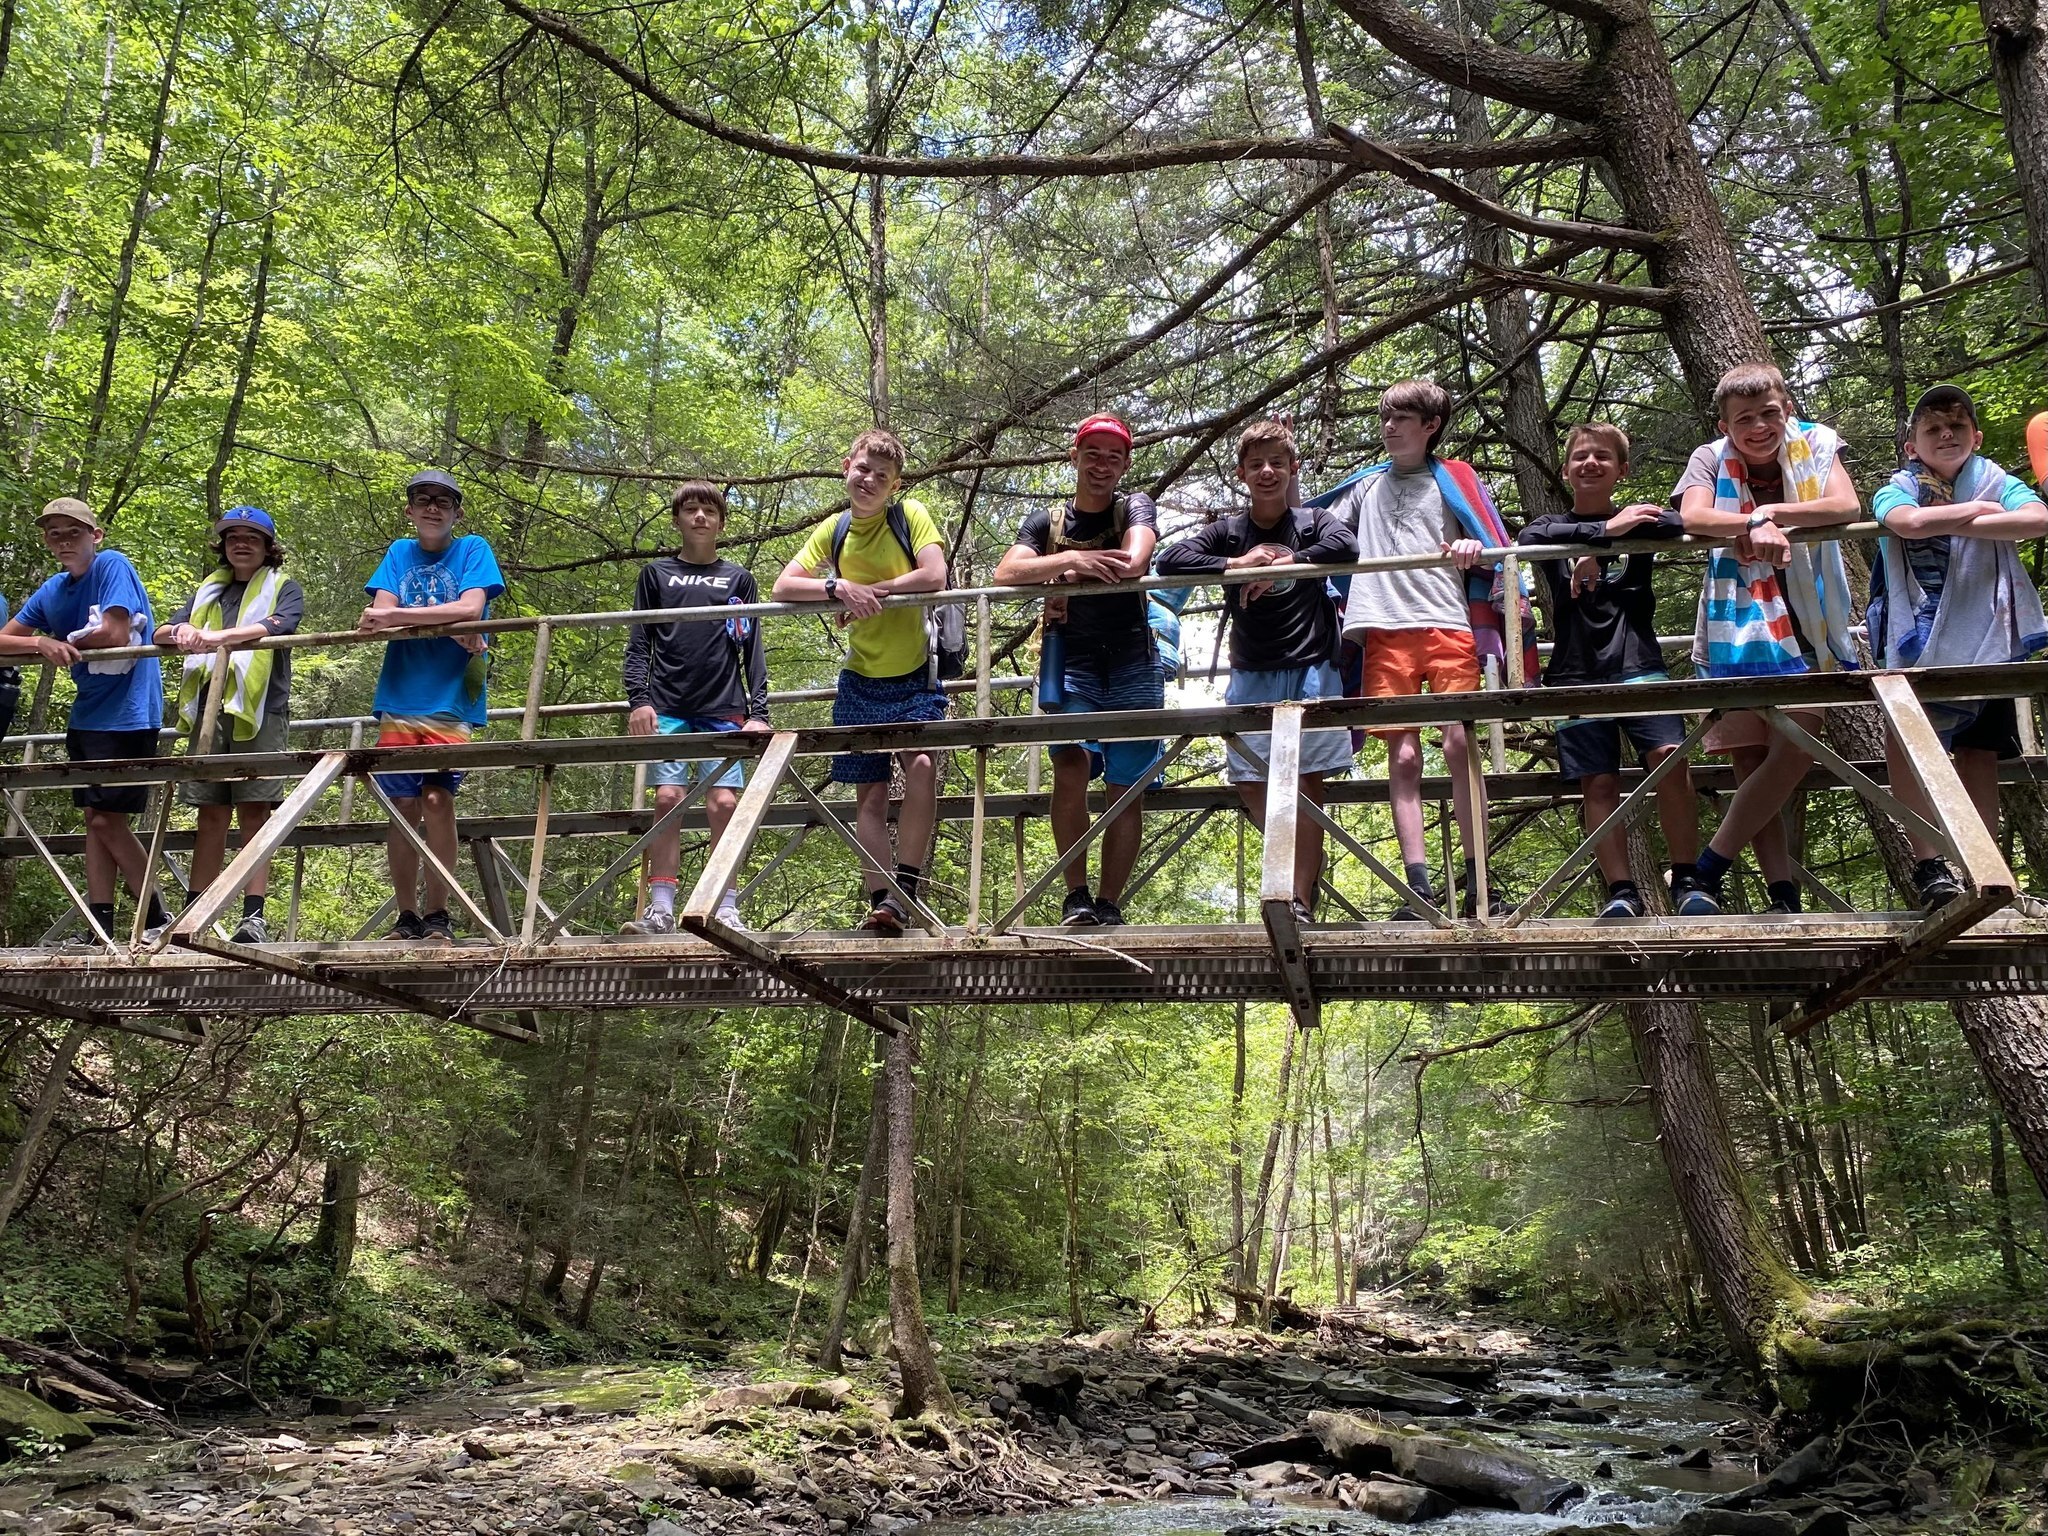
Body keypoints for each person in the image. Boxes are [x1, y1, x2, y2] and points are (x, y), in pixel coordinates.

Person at [1318, 379, 1528, 919]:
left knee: (1459, 745)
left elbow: (1492, 550)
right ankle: (1418, 888)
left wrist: (1472, 548)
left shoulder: (1455, 479)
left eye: (1402, 419)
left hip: (1446, 623)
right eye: (1385, 417)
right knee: (1403, 756)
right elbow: (1314, 527)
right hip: (1382, 629)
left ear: (1430, 427)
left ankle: (1481, 878)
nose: (1389, 427)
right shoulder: (1363, 487)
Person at [1672, 362, 1860, 915]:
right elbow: (1696, 516)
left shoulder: (1818, 445)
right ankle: (1782, 895)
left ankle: (1708, 868)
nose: (1759, 427)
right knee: (1750, 761)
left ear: (1788, 410)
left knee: (1798, 742)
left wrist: (1767, 513)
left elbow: (1845, 506)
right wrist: (1751, 526)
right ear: (1726, 425)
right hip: (1735, 626)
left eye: (1769, 414)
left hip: (1809, 621)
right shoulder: (1708, 458)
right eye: (1745, 419)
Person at [1157, 418, 1357, 919]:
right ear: (1242, 474)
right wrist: (1239, 564)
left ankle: (1299, 898)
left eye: (1276, 463)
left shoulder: (1311, 522)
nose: (1267, 472)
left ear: (1292, 469)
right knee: (1250, 780)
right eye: (1255, 465)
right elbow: (1171, 559)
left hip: (1311, 666)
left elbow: (1347, 548)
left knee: (1308, 783)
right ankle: (1295, 861)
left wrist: (1285, 563)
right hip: (1251, 671)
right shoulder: (1230, 532)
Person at [1517, 425, 1715, 918]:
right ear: (1565, 470)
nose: (1590, 464)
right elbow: (1527, 538)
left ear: (1620, 469)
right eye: (1580, 457)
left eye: (1602, 457)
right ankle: (1621, 892)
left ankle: (1688, 879)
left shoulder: (1643, 521)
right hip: (1574, 673)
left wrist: (1627, 526)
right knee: (1598, 783)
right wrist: (1603, 534)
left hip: (1639, 664)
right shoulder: (1550, 527)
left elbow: (1682, 521)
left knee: (1671, 759)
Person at [1867, 384, 2048, 909]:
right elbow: (1907, 521)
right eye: (1933, 429)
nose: (1947, 435)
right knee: (1909, 746)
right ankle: (1930, 866)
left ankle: (1987, 872)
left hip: (1987, 635)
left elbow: (2037, 519)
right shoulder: (1897, 486)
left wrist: (1965, 510)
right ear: (1912, 445)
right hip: (1917, 643)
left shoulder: (1994, 478)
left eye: (1958, 427)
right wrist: (1981, 514)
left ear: (1976, 435)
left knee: (1980, 752)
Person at [772, 430, 949, 936]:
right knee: (868, 797)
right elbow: (785, 584)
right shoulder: (835, 529)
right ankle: (882, 900)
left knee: (920, 767)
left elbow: (933, 575)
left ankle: (908, 883)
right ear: (846, 467)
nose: (869, 480)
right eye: (863, 469)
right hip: (861, 679)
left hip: (916, 674)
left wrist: (872, 590)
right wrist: (836, 585)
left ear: (895, 485)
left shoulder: (909, 515)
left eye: (882, 475)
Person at [992, 414, 1160, 926]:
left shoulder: (1136, 505)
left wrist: (1066, 568)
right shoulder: (1046, 522)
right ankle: (1077, 896)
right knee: (1070, 766)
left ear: (1125, 463)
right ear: (1075, 457)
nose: (1103, 465)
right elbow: (1006, 572)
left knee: (1125, 785)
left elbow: (1134, 562)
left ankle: (1109, 903)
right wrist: (1068, 566)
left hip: (1133, 657)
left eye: (1114, 456)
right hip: (1071, 661)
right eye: (1093, 454)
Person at [0, 498, 168, 946]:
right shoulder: (53, 589)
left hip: (130, 714)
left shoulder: (112, 565)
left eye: (73, 532)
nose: (63, 541)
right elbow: (3, 643)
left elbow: (114, 632)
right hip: (88, 715)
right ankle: (101, 928)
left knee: (106, 823)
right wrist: (39, 642)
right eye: (54, 533)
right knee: (95, 818)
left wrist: (57, 641)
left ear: (94, 536)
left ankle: (156, 917)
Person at [359, 468, 505, 944]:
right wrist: (444, 617)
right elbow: (377, 617)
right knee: (401, 806)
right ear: (409, 510)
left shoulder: (473, 549)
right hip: (401, 693)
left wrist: (400, 615)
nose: (433, 507)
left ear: (457, 512)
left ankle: (437, 915)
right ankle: (406, 917)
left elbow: (468, 608)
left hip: (450, 696)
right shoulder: (399, 553)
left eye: (444, 501)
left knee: (438, 800)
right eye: (423, 499)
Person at [620, 481, 772, 934]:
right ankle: (661, 905)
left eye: (709, 510)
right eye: (691, 510)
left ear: (722, 522)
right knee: (668, 798)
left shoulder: (739, 579)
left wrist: (758, 712)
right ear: (678, 518)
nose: (700, 517)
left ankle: (725, 903)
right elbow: (638, 642)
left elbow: (752, 648)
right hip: (667, 705)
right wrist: (639, 700)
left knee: (724, 802)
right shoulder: (657, 575)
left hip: (723, 705)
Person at [155, 506, 306, 944]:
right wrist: (181, 633)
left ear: (268, 548)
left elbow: (279, 625)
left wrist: (217, 638)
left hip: (260, 710)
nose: (241, 544)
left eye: (252, 538)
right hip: (208, 709)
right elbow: (163, 630)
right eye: (233, 536)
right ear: (222, 546)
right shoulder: (209, 592)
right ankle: (194, 911)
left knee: (255, 810)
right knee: (210, 810)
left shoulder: (283, 587)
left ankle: (252, 915)